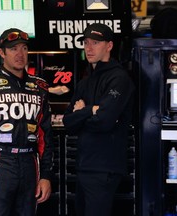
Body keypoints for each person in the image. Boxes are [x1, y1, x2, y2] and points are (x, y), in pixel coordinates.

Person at [0, 28, 54, 216]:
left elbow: (46, 137)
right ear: (2, 53)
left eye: (24, 48)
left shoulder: (39, 88)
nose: (20, 54)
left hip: (31, 164)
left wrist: (46, 175)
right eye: (13, 49)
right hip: (0, 162)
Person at [62, 23, 135, 216]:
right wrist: (90, 110)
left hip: (105, 168)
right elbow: (68, 123)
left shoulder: (119, 79)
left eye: (95, 42)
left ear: (109, 46)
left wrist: (83, 111)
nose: (89, 48)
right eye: (86, 43)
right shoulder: (85, 82)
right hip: (84, 166)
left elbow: (104, 121)